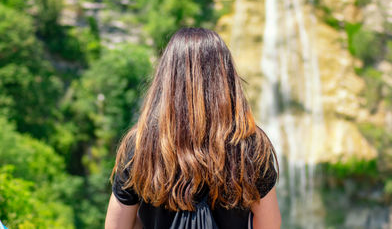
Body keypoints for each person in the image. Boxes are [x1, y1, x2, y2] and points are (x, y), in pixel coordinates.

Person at [105, 27, 281, 229]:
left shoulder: (141, 144)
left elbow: (116, 226)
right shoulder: (250, 145)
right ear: (226, 78)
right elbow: (270, 224)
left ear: (167, 78)